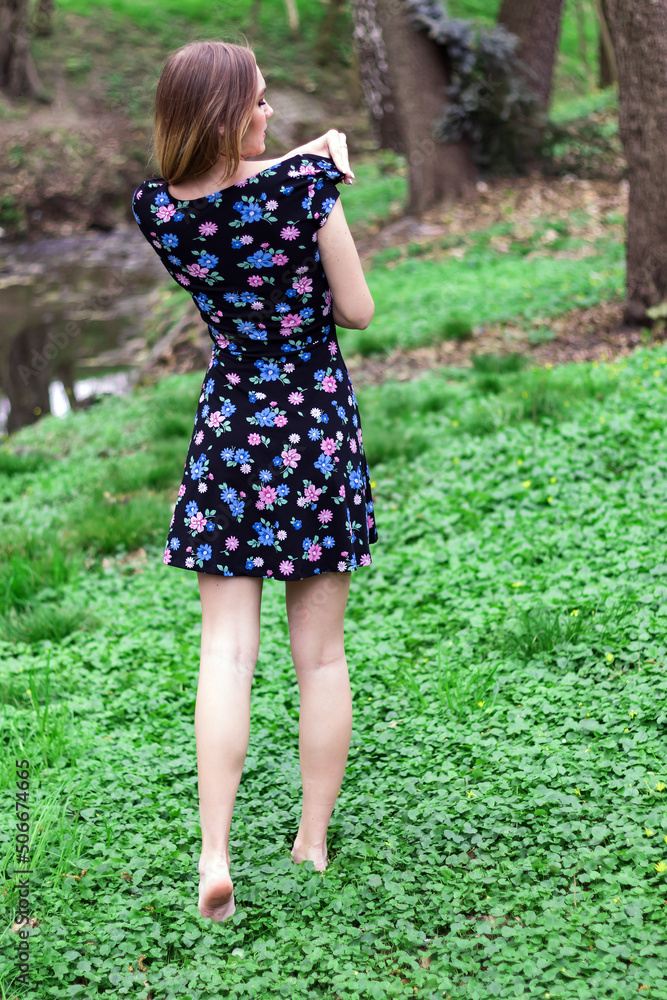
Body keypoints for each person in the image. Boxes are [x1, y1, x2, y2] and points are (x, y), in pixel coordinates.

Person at [132, 39, 377, 923]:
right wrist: (316, 172)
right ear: (225, 115)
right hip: (312, 431)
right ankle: (310, 841)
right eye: (259, 102)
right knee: (320, 658)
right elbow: (357, 310)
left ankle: (214, 852)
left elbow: (222, 182)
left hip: (231, 434)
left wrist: (303, 156)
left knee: (226, 654)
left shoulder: (158, 211)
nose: (271, 113)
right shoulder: (307, 194)